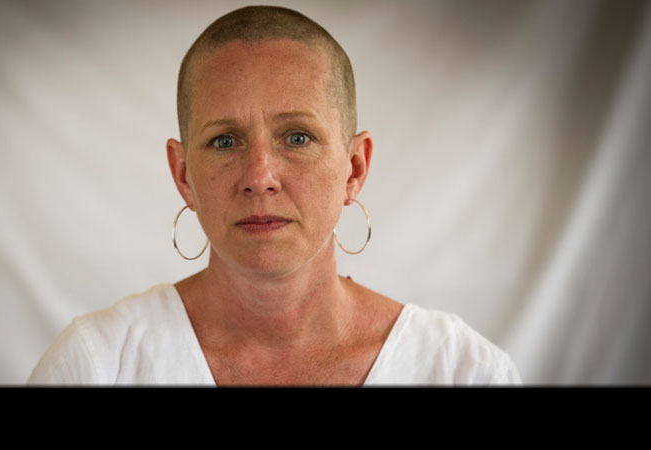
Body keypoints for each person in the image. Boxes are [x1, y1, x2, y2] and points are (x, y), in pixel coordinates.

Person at [28, 6, 521, 385]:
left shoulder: (462, 371)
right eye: (225, 141)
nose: (259, 176)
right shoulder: (96, 364)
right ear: (182, 175)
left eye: (297, 137)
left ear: (354, 167)